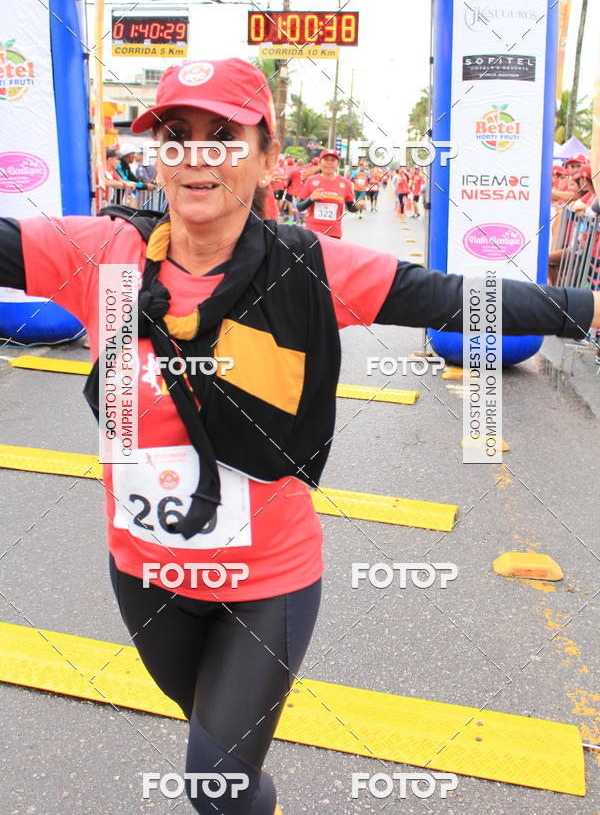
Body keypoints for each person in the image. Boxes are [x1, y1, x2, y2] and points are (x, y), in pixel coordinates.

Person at [1, 56, 599, 815]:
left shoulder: (306, 266)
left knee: (213, 779)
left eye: (224, 136)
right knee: (223, 758)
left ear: (265, 160)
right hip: (144, 576)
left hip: (266, 583)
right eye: (177, 136)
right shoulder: (104, 254)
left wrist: (589, 308)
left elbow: (453, 297)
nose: (197, 156)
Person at [295, 147, 364, 238]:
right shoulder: (311, 181)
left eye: (333, 160)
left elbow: (351, 208)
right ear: (320, 163)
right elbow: (299, 207)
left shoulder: (345, 183)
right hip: (312, 233)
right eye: (326, 159)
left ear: (337, 164)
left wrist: (357, 206)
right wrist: (311, 199)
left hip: (333, 233)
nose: (329, 162)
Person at [94, 147, 134, 212]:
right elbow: (105, 182)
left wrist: (128, 184)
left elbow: (121, 180)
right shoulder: (100, 168)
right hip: (98, 206)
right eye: (117, 159)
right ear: (110, 159)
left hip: (107, 204)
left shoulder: (112, 170)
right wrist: (124, 184)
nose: (118, 162)